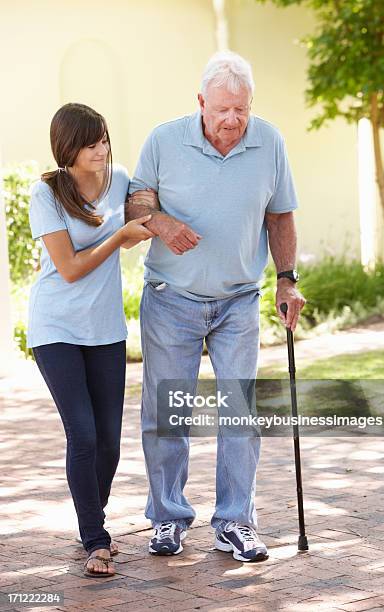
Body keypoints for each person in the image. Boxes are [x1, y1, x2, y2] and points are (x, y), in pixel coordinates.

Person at [126, 51, 306, 563]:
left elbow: (281, 216)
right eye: (222, 109)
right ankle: (167, 518)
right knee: (167, 414)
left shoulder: (269, 141)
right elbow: (137, 200)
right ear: (201, 103)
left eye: (242, 110)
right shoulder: (164, 140)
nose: (232, 120)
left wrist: (287, 281)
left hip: (238, 301)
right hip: (170, 299)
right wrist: (161, 224)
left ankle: (234, 522)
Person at [27, 103, 154, 577]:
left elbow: (151, 205)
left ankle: (89, 521)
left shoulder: (118, 178)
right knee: (82, 434)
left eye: (103, 138)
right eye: (90, 142)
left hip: (105, 330)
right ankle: (96, 540)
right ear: (68, 149)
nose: (101, 149)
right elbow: (71, 269)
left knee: (110, 444)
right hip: (55, 327)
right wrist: (120, 235)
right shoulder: (47, 194)